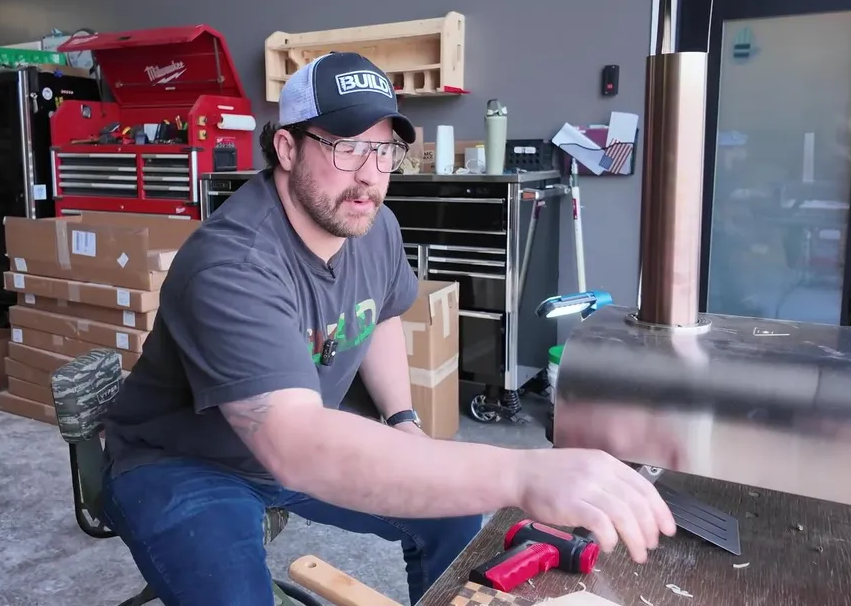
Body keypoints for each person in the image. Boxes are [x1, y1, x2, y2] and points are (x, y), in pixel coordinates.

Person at [99, 52, 676, 605]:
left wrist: (403, 421)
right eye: (347, 147)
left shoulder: (372, 226)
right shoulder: (233, 264)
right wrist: (523, 472)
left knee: (453, 511)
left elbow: (380, 316)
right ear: (286, 148)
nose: (369, 175)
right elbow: (296, 445)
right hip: (181, 464)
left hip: (296, 445)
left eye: (383, 150)